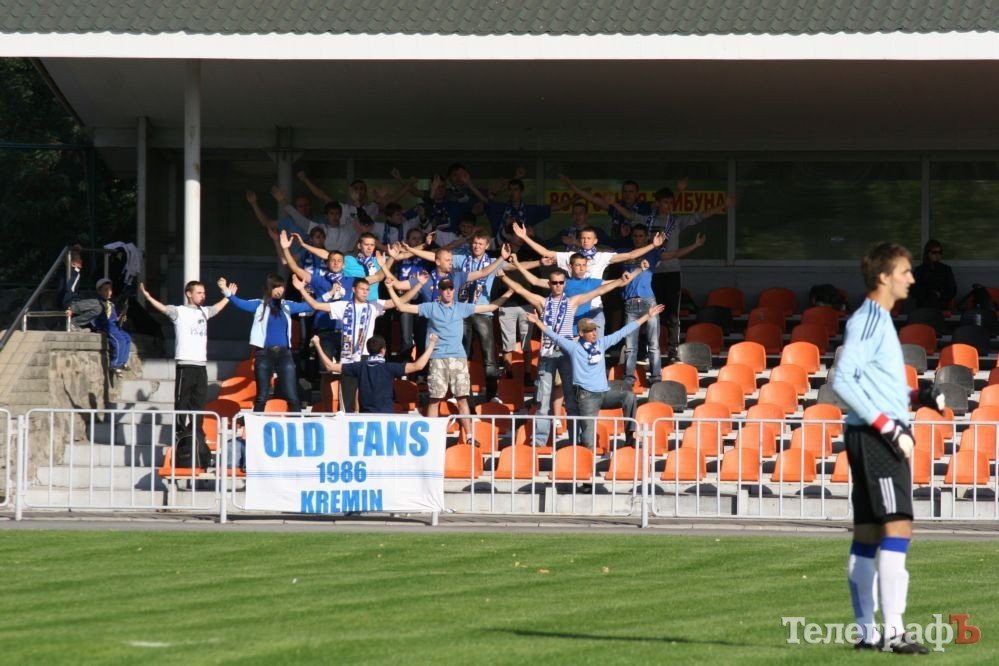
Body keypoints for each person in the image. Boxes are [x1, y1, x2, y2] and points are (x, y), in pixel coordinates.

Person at [831, 242, 946, 654]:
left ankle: (867, 636)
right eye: (905, 271)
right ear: (884, 277)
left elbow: (877, 386)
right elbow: (842, 381)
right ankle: (893, 634)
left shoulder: (877, 320)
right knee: (898, 528)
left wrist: (916, 397)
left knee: (868, 535)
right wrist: (890, 428)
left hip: (873, 434)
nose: (911, 278)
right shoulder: (868, 319)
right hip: (878, 438)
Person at [498, 261, 645, 447]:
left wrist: (618, 282)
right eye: (554, 283)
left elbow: (598, 291)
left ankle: (574, 440)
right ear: (549, 284)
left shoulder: (572, 302)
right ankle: (539, 440)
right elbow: (521, 289)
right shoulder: (542, 302)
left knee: (571, 399)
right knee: (543, 399)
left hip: (567, 354)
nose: (557, 286)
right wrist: (503, 277)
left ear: (565, 283)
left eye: (561, 282)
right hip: (547, 354)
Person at [603, 181, 734, 359]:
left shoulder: (676, 221)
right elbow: (630, 216)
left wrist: (722, 206)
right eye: (664, 202)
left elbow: (700, 216)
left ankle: (673, 350)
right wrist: (614, 204)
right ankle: (644, 349)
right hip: (648, 273)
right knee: (647, 312)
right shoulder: (647, 219)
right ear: (657, 203)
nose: (668, 206)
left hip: (671, 271)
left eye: (671, 203)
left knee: (672, 314)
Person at [384, 272, 512, 436]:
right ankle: (430, 437)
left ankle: (470, 437)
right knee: (435, 399)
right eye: (444, 288)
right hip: (437, 358)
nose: (448, 291)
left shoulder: (462, 307)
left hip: (458, 358)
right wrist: (390, 289)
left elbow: (491, 307)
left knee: (462, 399)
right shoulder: (430, 307)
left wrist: (509, 292)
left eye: (451, 288)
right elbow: (402, 307)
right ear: (439, 291)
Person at [528, 304, 664, 449]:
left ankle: (630, 437)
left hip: (604, 392)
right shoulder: (574, 347)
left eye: (594, 330)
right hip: (587, 396)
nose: (593, 333)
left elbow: (623, 332)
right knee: (589, 438)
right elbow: (553, 335)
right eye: (589, 331)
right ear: (581, 333)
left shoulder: (601, 343)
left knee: (629, 397)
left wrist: (647, 316)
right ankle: (587, 460)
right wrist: (537, 322)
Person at [512, 222, 666, 335]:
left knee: (595, 346)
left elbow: (630, 255)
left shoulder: (602, 256)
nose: (585, 240)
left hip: (595, 308)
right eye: (583, 238)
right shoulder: (570, 257)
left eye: (589, 238)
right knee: (571, 344)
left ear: (595, 241)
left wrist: (653, 245)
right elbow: (545, 252)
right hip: (572, 308)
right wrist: (524, 237)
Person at [293, 274, 410, 412]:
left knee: (367, 397)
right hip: (348, 357)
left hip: (367, 357)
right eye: (362, 289)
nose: (365, 292)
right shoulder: (343, 306)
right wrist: (301, 290)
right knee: (347, 400)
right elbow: (316, 305)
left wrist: (417, 285)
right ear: (354, 289)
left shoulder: (373, 305)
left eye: (367, 289)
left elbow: (400, 302)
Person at [139, 279, 230, 436]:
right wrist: (148, 298)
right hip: (185, 364)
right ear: (189, 294)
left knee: (199, 401)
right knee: (182, 401)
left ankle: (197, 432)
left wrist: (228, 296)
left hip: (201, 365)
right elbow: (163, 309)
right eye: (199, 293)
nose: (203, 296)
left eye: (204, 293)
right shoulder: (179, 311)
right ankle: (180, 432)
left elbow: (216, 308)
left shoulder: (203, 311)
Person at [618, 225, 706, 385]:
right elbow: (605, 250)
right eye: (635, 236)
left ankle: (656, 378)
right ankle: (629, 380)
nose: (637, 238)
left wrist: (695, 245)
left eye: (640, 236)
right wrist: (622, 237)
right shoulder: (624, 252)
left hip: (648, 302)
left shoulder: (653, 252)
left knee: (653, 344)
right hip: (630, 303)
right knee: (630, 346)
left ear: (646, 238)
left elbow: (675, 254)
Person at [219, 274, 312, 412]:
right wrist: (226, 291)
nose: (280, 289)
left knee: (292, 395)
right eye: (276, 287)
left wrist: (330, 294)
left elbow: (311, 306)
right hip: (264, 353)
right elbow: (240, 303)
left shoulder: (287, 305)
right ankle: (255, 430)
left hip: (284, 354)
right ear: (269, 288)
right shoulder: (259, 304)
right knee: (262, 395)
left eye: (281, 286)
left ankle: (296, 428)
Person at [312, 334, 439, 414]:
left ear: (368, 350)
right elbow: (418, 365)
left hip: (365, 417)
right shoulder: (389, 368)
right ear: (383, 350)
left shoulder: (359, 367)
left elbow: (330, 366)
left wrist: (318, 345)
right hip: (386, 416)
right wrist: (432, 344)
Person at [92, 277, 131, 375]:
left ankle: (122, 361)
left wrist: (120, 318)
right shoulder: (98, 303)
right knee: (119, 340)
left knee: (127, 338)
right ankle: (115, 363)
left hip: (115, 325)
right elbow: (95, 317)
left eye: (110, 290)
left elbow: (113, 317)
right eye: (105, 290)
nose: (108, 292)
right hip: (107, 326)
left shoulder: (111, 304)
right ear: (99, 291)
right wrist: (98, 328)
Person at [59, 249, 102, 330]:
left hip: (73, 301)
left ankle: (81, 324)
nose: (81, 261)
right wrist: (69, 306)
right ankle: (74, 322)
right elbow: (69, 288)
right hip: (71, 302)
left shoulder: (71, 272)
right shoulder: (74, 273)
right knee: (98, 304)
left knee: (99, 307)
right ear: (73, 263)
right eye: (79, 259)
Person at [911, 239, 957, 311]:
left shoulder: (946, 270)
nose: (937, 255)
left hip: (941, 304)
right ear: (928, 253)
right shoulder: (920, 271)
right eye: (934, 252)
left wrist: (940, 294)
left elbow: (952, 289)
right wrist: (928, 293)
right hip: (924, 305)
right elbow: (913, 290)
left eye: (939, 252)